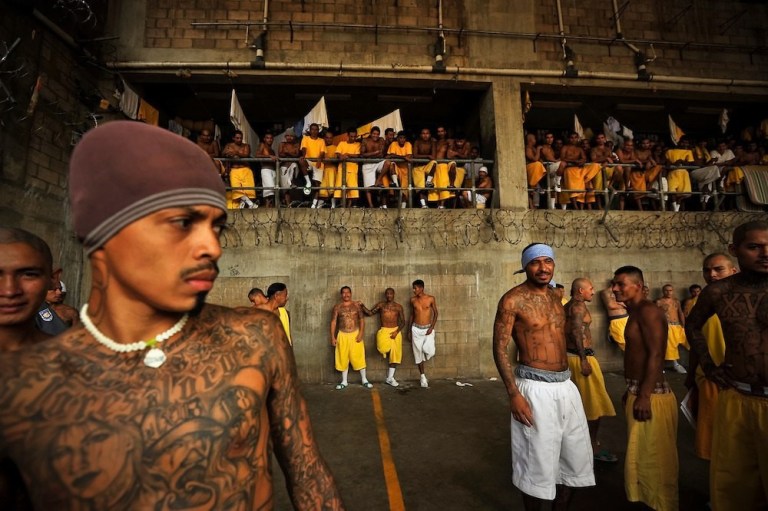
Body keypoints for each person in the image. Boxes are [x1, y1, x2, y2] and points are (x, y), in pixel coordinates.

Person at [0, 121, 344, 510]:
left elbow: (307, 473)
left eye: (217, 227)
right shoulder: (30, 387)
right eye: (183, 223)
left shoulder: (255, 337)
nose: (211, 247)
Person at [493, 243, 594, 510]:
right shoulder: (512, 300)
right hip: (534, 388)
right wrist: (514, 394)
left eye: (547, 261)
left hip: (565, 385)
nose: (543, 268)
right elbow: (499, 347)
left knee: (575, 460)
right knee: (536, 467)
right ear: (525, 266)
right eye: (535, 262)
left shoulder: (554, 297)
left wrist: (582, 359)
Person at [685, 221, 768, 511]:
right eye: (754, 246)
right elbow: (692, 325)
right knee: (735, 486)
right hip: (738, 396)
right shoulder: (719, 293)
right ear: (735, 250)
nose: (765, 253)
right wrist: (709, 366)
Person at [612, 266, 678, 511]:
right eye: (614, 284)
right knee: (641, 459)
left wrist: (644, 395)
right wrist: (633, 391)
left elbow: (656, 354)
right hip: (639, 391)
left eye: (620, 284)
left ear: (638, 285)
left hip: (653, 397)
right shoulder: (636, 312)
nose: (614, 289)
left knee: (655, 462)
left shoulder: (649, 311)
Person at [685, 253, 737, 463]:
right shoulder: (699, 303)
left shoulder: (746, 299)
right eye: (707, 270)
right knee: (716, 442)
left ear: (733, 271)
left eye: (718, 269)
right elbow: (695, 342)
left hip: (742, 379)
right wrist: (691, 375)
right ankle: (719, 494)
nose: (712, 275)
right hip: (711, 379)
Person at [564, 278, 617, 463]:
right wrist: (584, 359)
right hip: (581, 359)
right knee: (594, 405)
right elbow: (576, 332)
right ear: (580, 290)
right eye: (590, 289)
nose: (593, 292)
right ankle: (592, 447)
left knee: (582, 405)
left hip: (574, 357)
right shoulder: (577, 308)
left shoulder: (569, 306)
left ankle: (582, 446)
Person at [361, 288, 406, 387]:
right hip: (384, 331)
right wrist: (362, 306)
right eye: (387, 294)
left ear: (394, 294)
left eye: (391, 294)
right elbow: (370, 313)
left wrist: (396, 332)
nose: (389, 295)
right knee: (382, 348)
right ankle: (386, 353)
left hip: (395, 331)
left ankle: (390, 378)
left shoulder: (398, 307)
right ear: (385, 295)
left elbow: (403, 322)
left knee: (395, 356)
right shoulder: (381, 305)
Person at [330, 286, 372, 390]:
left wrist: (361, 333)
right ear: (341, 295)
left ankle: (364, 380)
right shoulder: (337, 307)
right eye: (343, 293)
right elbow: (333, 322)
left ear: (351, 293)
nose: (346, 295)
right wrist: (332, 337)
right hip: (342, 335)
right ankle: (344, 381)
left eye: (348, 292)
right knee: (342, 357)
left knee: (359, 356)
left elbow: (362, 319)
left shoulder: (356, 305)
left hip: (355, 334)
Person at [409, 279, 438, 388]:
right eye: (413, 288)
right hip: (416, 329)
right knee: (418, 354)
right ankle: (422, 377)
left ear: (421, 288)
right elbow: (412, 315)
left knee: (430, 351)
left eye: (415, 288)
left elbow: (436, 313)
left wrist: (432, 327)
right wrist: (409, 330)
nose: (413, 290)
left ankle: (425, 356)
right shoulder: (412, 300)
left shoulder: (430, 299)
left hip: (427, 330)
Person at [655, 284, 688, 373]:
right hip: (667, 326)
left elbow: (680, 312)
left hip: (677, 326)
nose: (668, 292)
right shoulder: (659, 302)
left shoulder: (676, 301)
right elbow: (656, 316)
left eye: (670, 290)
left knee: (687, 342)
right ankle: (675, 364)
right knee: (670, 346)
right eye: (666, 290)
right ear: (663, 291)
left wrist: (683, 325)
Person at [222, 129, 257, 209]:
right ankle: (250, 204)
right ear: (233, 138)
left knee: (248, 190)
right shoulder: (229, 145)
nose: (239, 139)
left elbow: (246, 154)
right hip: (234, 170)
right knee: (236, 189)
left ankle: (244, 204)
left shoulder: (246, 146)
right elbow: (223, 153)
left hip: (245, 169)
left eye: (241, 138)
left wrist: (235, 153)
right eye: (237, 138)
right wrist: (228, 154)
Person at [359, 126, 387, 208]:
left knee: (388, 163)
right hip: (367, 164)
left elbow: (382, 154)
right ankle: (371, 205)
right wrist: (375, 153)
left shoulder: (381, 140)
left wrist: (376, 153)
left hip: (377, 163)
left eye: (377, 134)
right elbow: (362, 154)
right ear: (371, 134)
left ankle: (378, 180)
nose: (376, 136)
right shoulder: (365, 141)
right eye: (374, 134)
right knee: (368, 187)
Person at [299, 123, 326, 208]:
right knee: (301, 161)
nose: (314, 131)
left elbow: (322, 152)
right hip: (309, 161)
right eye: (312, 129)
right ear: (310, 131)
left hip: (318, 163)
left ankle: (314, 204)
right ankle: (308, 182)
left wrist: (319, 159)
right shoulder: (305, 138)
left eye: (316, 129)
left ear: (318, 131)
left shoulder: (321, 140)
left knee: (317, 184)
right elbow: (304, 148)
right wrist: (303, 156)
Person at [334, 128, 361, 208]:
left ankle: (349, 207)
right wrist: (341, 156)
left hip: (353, 170)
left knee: (353, 191)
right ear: (348, 135)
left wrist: (347, 154)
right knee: (340, 190)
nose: (353, 138)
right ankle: (342, 206)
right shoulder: (342, 143)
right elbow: (337, 153)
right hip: (342, 170)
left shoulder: (358, 144)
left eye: (354, 136)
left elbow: (358, 155)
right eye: (351, 136)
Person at [411, 128, 438, 209]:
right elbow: (415, 155)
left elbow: (433, 157)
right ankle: (423, 205)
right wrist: (427, 156)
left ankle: (428, 181)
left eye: (427, 133)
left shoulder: (432, 143)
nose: (425, 135)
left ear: (430, 134)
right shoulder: (417, 142)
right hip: (418, 167)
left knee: (434, 162)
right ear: (420, 135)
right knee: (420, 188)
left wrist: (428, 157)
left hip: (427, 166)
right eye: (423, 133)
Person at [600, 285, 628, 351]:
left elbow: (630, 304)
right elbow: (611, 305)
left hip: (627, 319)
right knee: (626, 345)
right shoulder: (606, 292)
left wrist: (622, 304)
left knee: (633, 343)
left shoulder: (623, 292)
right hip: (616, 321)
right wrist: (624, 304)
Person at [279, 128, 301, 207]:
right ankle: (288, 205)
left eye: (291, 136)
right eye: (287, 136)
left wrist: (287, 152)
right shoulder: (282, 144)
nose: (289, 137)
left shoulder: (296, 145)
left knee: (294, 165)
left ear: (294, 137)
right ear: (285, 136)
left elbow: (297, 155)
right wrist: (291, 154)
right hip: (284, 167)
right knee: (286, 188)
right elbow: (280, 154)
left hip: (292, 166)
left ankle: (290, 181)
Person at [256, 131, 278, 208]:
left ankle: (270, 208)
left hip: (273, 170)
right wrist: (269, 156)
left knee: (273, 191)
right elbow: (257, 155)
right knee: (269, 190)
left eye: (271, 138)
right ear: (264, 139)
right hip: (265, 169)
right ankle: (267, 208)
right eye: (267, 138)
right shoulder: (262, 145)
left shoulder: (272, 150)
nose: (269, 140)